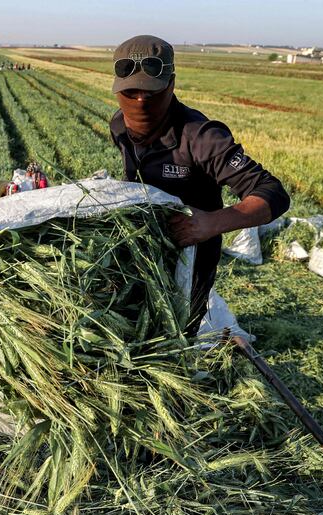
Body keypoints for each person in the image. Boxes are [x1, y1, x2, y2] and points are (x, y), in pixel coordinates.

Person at [108, 35, 290, 334]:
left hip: (190, 259)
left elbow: (273, 192)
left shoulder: (201, 137)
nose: (140, 99)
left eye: (151, 92)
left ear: (171, 84)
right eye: (131, 91)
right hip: (145, 246)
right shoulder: (118, 126)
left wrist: (210, 223)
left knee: (179, 331)